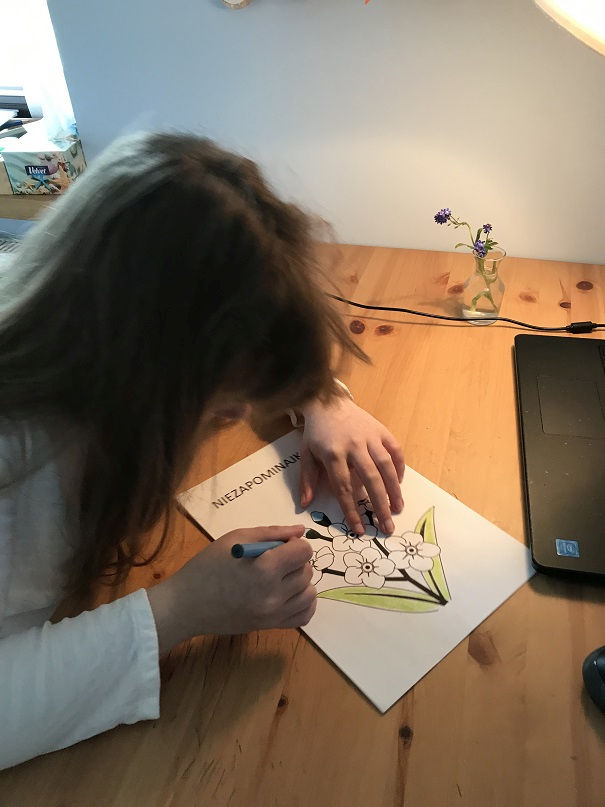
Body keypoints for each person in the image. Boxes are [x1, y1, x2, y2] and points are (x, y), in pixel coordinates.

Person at [0, 132, 404, 770]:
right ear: (144, 367)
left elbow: (227, 303)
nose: (240, 413)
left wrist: (318, 397)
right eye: (221, 398)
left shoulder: (83, 310)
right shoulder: (16, 452)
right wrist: (181, 608)